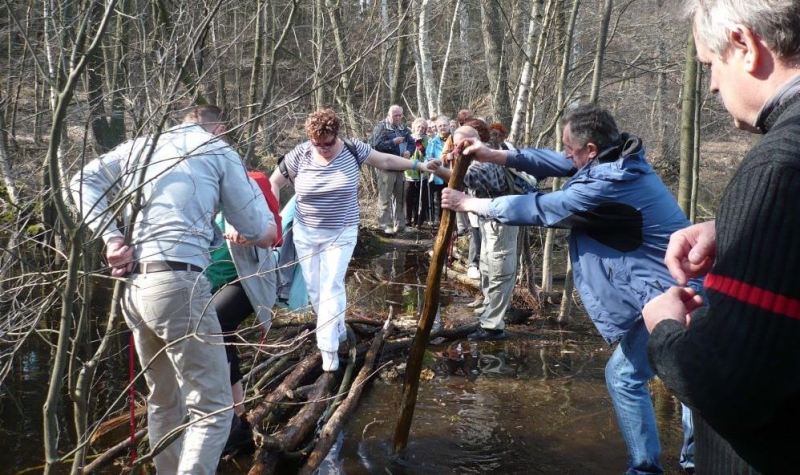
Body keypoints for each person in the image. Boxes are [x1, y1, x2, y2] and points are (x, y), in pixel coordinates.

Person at [441, 104, 697, 474]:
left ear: (590, 149)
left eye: (570, 148)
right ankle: (692, 461)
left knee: (626, 376)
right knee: (686, 373)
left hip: (671, 292)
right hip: (667, 287)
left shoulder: (608, 184)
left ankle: (651, 468)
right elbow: (553, 163)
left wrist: (472, 204)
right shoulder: (616, 156)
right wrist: (493, 154)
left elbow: (542, 207)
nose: (564, 155)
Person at [70, 105, 275, 474]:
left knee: (164, 403)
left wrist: (112, 238)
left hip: (136, 290)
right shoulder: (217, 149)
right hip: (179, 286)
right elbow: (257, 227)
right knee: (212, 409)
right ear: (220, 128)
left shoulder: (141, 146)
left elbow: (80, 181)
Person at [642, 1, 800, 472]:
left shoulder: (779, 167)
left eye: (710, 65)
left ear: (744, 45)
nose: (710, 84)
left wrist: (663, 328)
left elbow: (724, 384)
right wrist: (734, 228)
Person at [270, 109, 434, 372]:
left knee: (332, 283)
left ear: (337, 135)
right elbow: (273, 183)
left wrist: (419, 165)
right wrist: (272, 219)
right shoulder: (299, 154)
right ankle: (337, 327)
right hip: (306, 233)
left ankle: (328, 349)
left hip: (341, 232)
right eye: (317, 144)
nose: (323, 148)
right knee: (316, 291)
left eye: (328, 143)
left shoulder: (352, 148)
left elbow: (387, 162)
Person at [206, 171, 281, 452]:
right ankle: (237, 418)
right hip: (206, 282)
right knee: (223, 335)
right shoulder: (192, 192)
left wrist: (251, 234)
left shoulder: (251, 182)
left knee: (215, 324)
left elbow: (275, 234)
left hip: (247, 280)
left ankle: (228, 422)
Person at [432, 121, 518, 341]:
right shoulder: (482, 156)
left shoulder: (486, 160)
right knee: (487, 267)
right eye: (455, 145)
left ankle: (493, 327)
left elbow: (464, 179)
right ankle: (488, 312)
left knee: (499, 270)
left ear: (477, 140)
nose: (456, 150)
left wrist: (436, 169)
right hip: (488, 220)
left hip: (501, 223)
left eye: (461, 145)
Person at [371, 104, 415, 234]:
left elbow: (411, 142)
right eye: (395, 115)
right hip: (386, 168)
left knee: (400, 197)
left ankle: (400, 225)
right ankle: (384, 224)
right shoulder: (381, 128)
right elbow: (374, 144)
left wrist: (409, 151)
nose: (398, 118)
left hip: (400, 167)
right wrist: (393, 142)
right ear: (389, 115)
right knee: (385, 197)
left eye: (400, 115)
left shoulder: (403, 128)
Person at [425, 116, 451, 226]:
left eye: (444, 125)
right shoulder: (433, 142)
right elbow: (427, 157)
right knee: (440, 198)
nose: (442, 127)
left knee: (450, 198)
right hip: (438, 174)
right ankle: (440, 221)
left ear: (449, 126)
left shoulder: (455, 138)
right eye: (440, 126)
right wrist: (431, 162)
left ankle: (450, 222)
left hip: (452, 173)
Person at [406, 118, 429, 229]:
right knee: (408, 198)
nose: (420, 129)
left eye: (422, 128)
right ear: (414, 127)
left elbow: (427, 155)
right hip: (409, 173)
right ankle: (407, 220)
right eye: (418, 127)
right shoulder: (408, 138)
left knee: (421, 199)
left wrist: (421, 146)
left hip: (422, 174)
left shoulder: (426, 140)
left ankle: (419, 220)